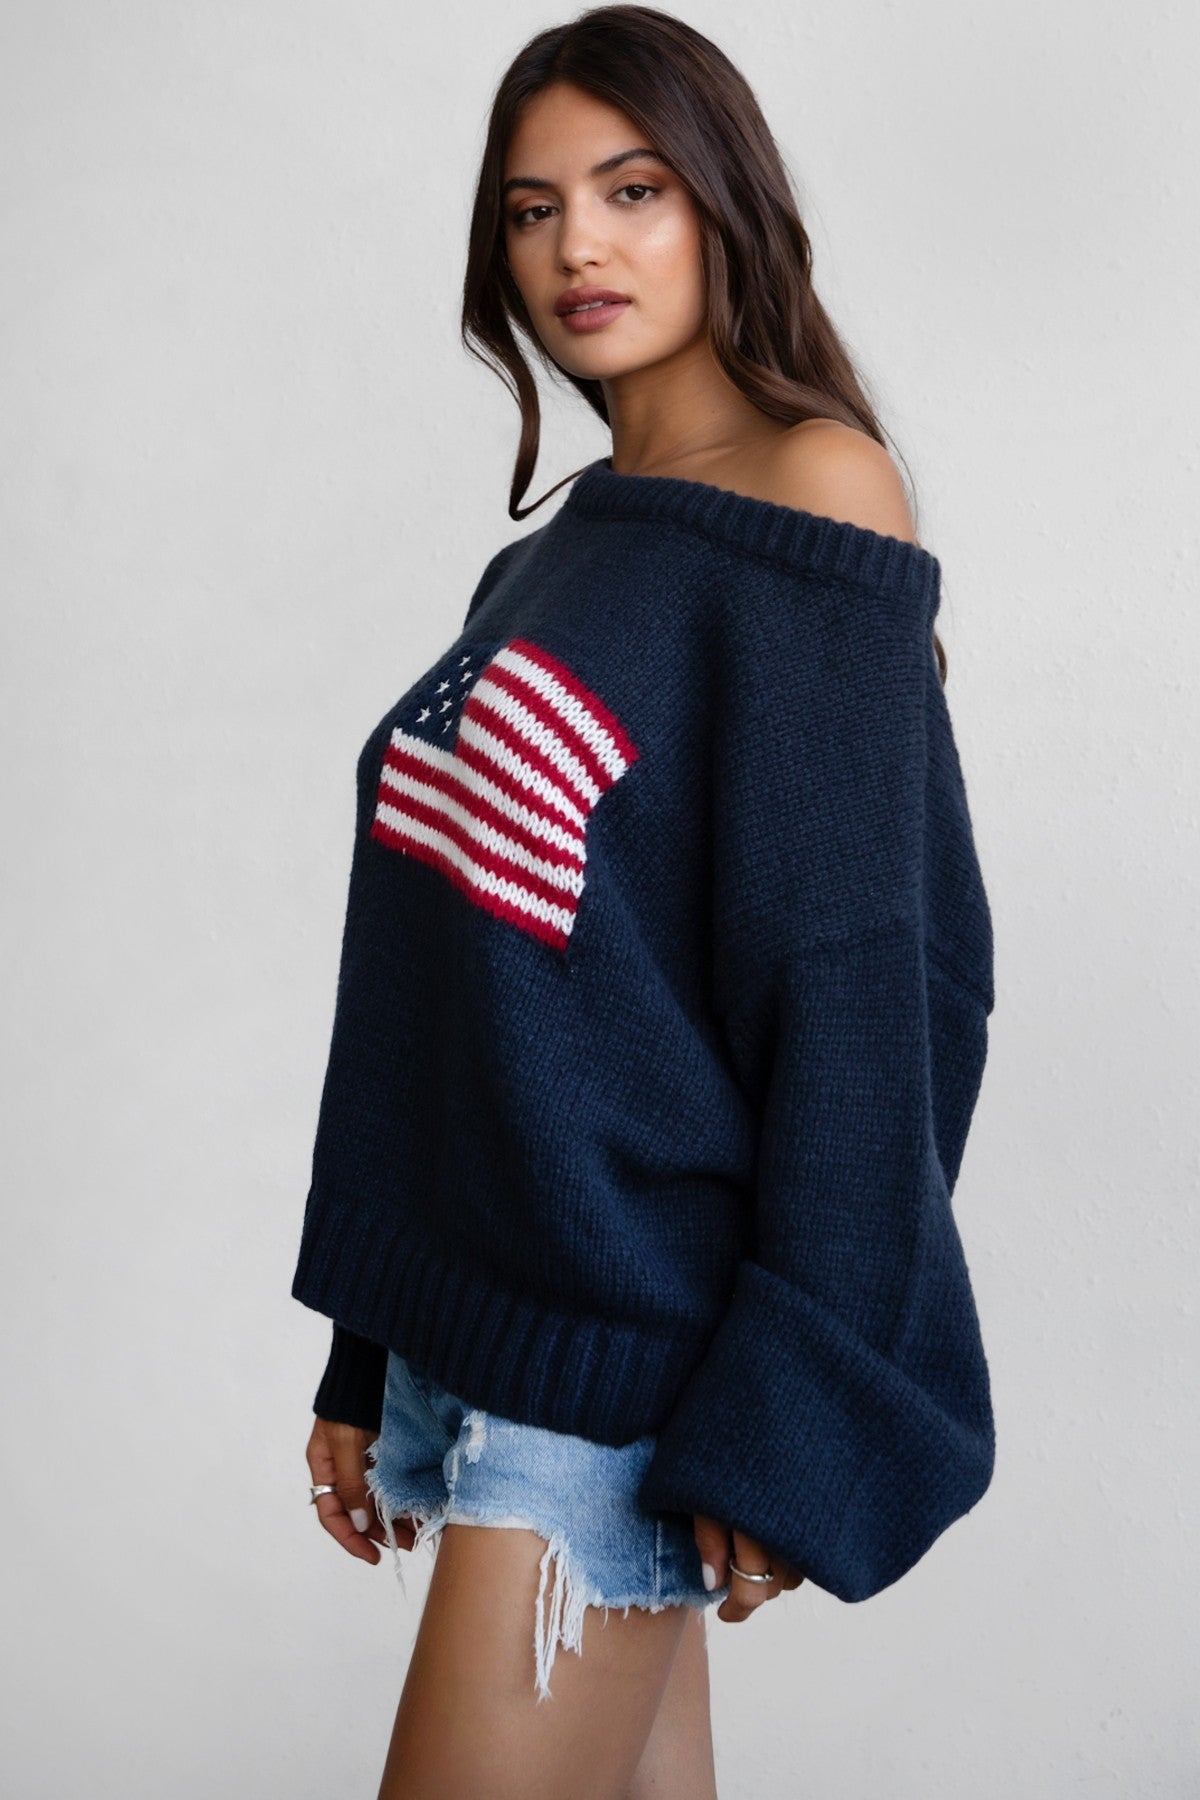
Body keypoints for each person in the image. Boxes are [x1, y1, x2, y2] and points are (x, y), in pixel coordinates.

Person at [292, 7, 997, 1796]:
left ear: (724, 203)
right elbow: (465, 997)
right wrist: (370, 1346)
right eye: (532, 209)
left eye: (632, 189)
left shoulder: (822, 493)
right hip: (482, 1324)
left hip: (619, 1359)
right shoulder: (553, 557)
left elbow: (862, 984)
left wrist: (794, 1403)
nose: (576, 248)